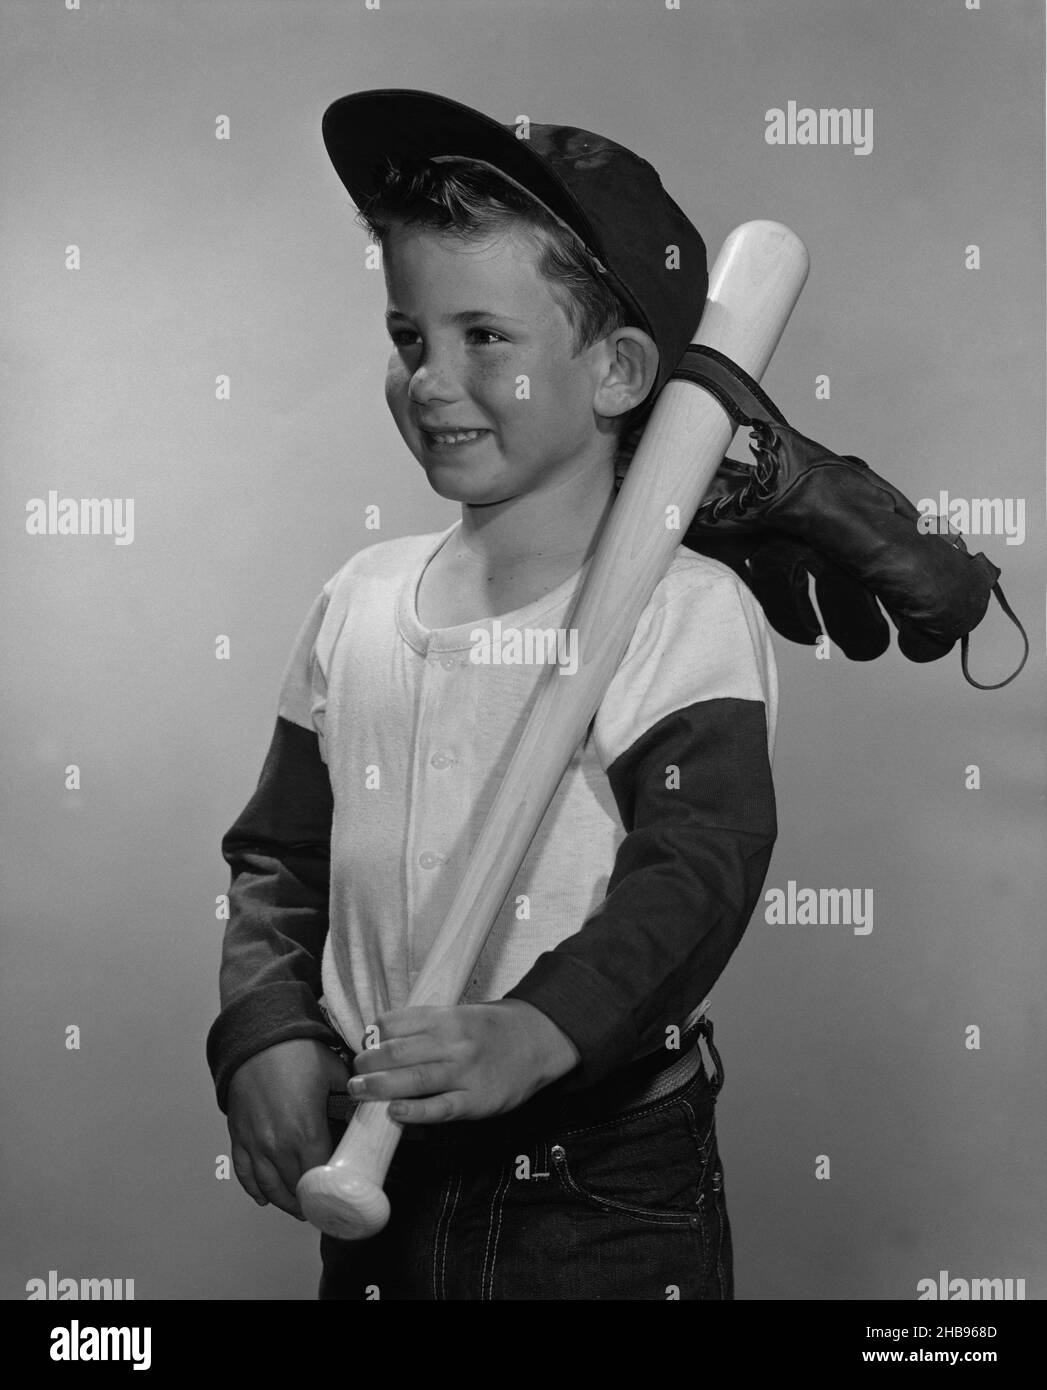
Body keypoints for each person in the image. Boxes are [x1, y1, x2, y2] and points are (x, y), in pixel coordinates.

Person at [206, 89, 778, 1300]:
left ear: (618, 370)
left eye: (486, 339)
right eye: (412, 338)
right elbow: (280, 858)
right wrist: (265, 1028)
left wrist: (542, 1027)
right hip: (381, 1166)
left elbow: (697, 874)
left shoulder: (682, 615)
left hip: (597, 1186)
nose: (431, 378)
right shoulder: (359, 599)